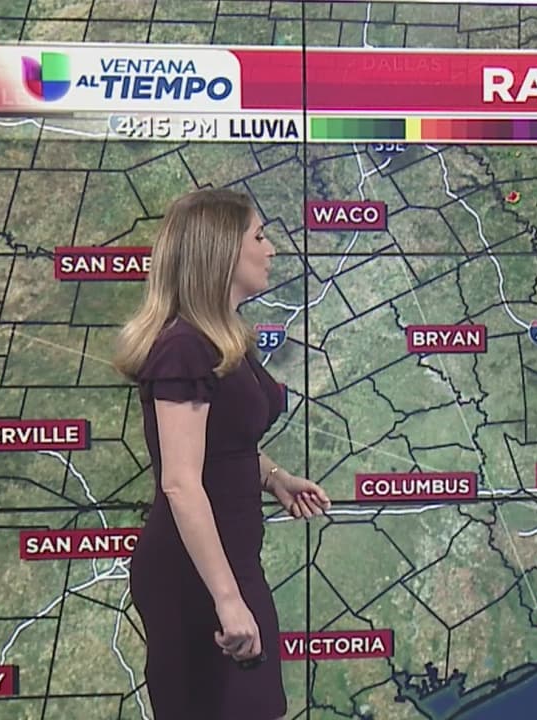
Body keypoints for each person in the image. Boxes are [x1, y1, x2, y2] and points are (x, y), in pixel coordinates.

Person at [112, 187, 330, 720]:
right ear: (222, 252)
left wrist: (273, 476)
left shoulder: (222, 338)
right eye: (259, 236)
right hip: (194, 578)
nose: (271, 248)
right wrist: (227, 600)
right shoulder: (183, 348)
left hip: (231, 565)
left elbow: (224, 446)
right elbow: (181, 481)